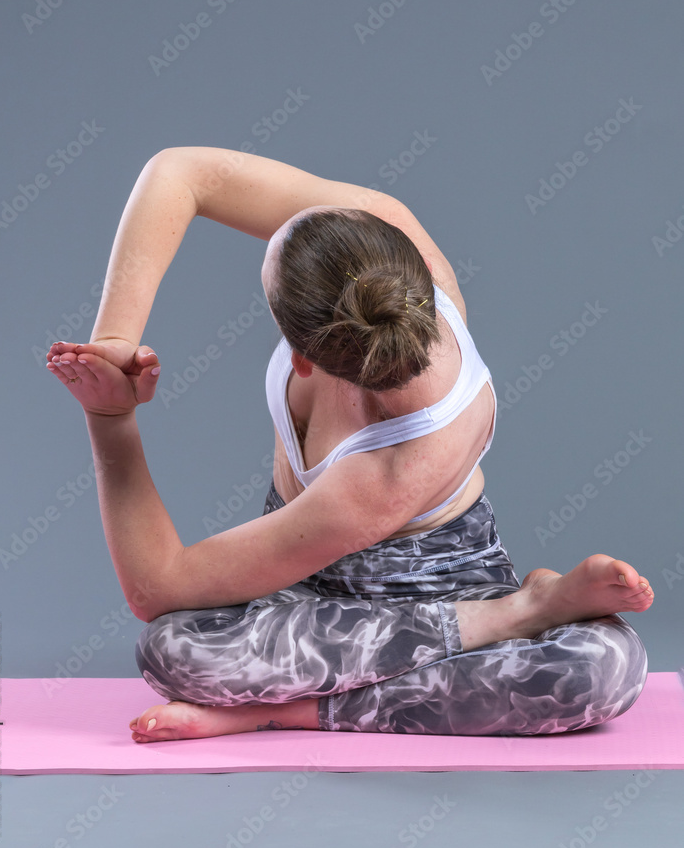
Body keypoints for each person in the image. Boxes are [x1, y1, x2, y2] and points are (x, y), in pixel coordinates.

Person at [45, 146, 652, 741]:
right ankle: (493, 629)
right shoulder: (379, 236)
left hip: (446, 585)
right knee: (174, 650)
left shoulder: (401, 462)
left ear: (302, 360)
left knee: (597, 671)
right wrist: (115, 339)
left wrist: (109, 415)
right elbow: (181, 172)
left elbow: (156, 587)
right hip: (301, 595)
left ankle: (501, 618)